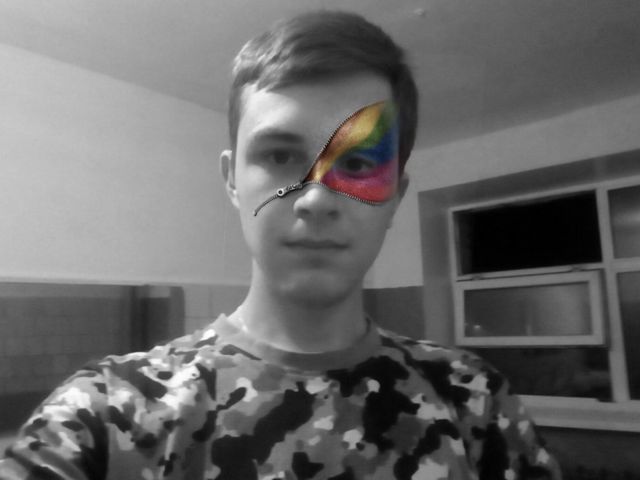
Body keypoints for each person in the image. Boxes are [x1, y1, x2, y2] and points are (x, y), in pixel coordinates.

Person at [0, 10, 562, 480]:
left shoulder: (475, 403)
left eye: (358, 163)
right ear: (231, 180)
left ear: (395, 194)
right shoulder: (106, 415)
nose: (315, 199)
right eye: (279, 155)